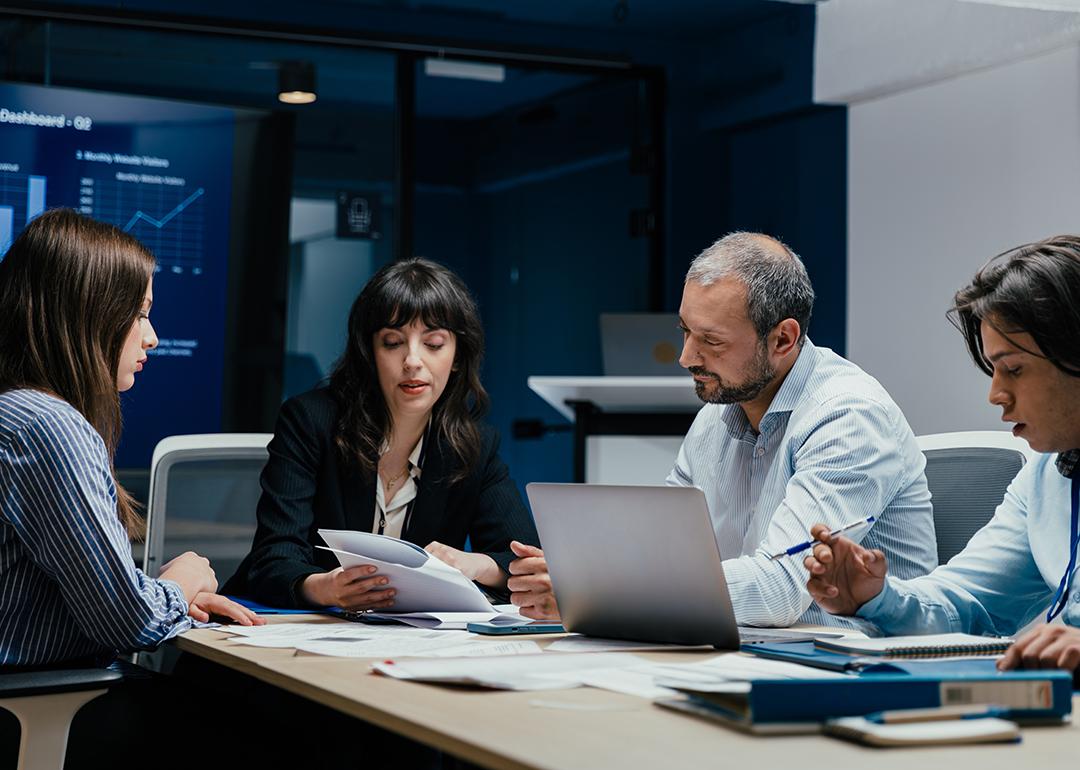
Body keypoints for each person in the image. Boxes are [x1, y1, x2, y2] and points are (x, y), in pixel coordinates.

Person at [509, 232, 937, 628]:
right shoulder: (718, 413)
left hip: (852, 669)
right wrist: (575, 570)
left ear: (783, 340)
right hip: (748, 653)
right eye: (685, 332)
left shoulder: (848, 416)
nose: (685, 357)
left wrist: (597, 589)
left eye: (711, 341)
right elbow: (662, 552)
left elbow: (780, 590)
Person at [805, 235, 1080, 676]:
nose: (996, 395)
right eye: (993, 371)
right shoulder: (1048, 474)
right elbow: (968, 605)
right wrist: (875, 597)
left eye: (1013, 369)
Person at [0, 208, 258, 669]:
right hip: (40, 711)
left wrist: (162, 596)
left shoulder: (15, 411)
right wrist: (183, 580)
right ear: (87, 316)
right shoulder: (49, 427)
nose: (153, 338)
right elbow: (127, 623)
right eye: (139, 314)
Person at [225, 257, 540, 610]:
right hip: (292, 629)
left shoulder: (474, 446)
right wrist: (326, 588)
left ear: (456, 357)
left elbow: (528, 562)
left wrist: (476, 564)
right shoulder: (311, 420)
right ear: (369, 353)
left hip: (406, 643)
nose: (412, 361)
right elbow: (272, 558)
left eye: (434, 344)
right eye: (393, 342)